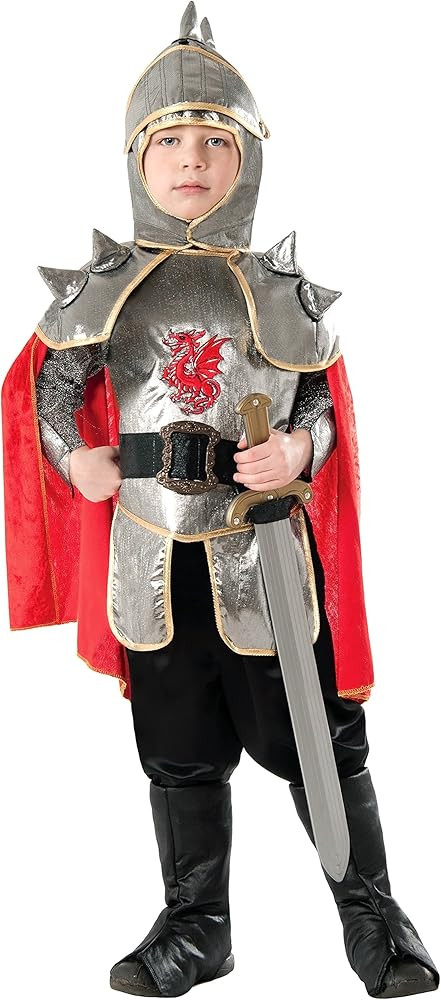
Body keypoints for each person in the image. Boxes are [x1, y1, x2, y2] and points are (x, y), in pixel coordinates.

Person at [1, 3, 439, 998]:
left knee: (319, 741)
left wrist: (300, 445)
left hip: (262, 550)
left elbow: (319, 398)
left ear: (247, 159)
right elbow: (54, 387)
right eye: (170, 141)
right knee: (179, 751)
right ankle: (197, 926)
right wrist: (74, 458)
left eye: (213, 141)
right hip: (151, 551)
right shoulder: (103, 289)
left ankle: (373, 915)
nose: (191, 159)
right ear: (136, 158)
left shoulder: (277, 287)